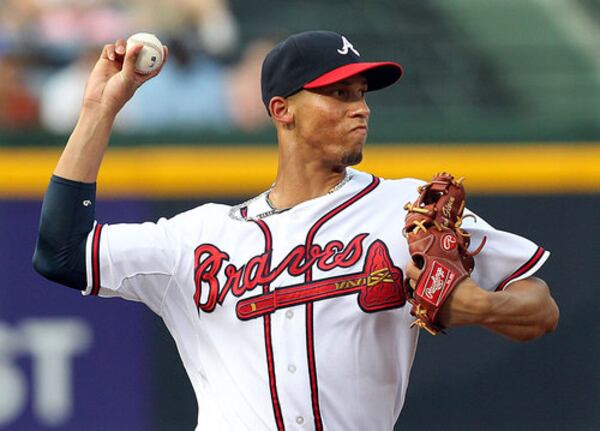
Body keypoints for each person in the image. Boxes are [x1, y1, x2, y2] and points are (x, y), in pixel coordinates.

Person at [33, 31, 559, 430]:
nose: (361, 107)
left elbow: (540, 307)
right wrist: (99, 109)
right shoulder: (196, 240)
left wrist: (484, 307)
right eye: (337, 93)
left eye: (361, 92)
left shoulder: (407, 207)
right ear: (281, 110)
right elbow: (60, 252)